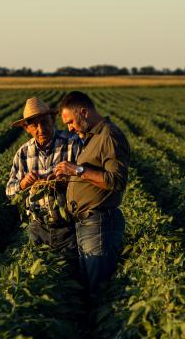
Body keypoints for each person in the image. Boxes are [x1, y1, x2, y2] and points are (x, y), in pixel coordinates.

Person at [54, 91, 130, 297]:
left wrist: (77, 170)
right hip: (87, 223)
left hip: (100, 223)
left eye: (70, 122)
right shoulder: (91, 137)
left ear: (84, 112)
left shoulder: (109, 137)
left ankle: (103, 326)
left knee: (98, 288)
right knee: (89, 284)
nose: (69, 128)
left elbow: (117, 181)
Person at [6, 97, 82, 252]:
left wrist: (68, 180)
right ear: (27, 128)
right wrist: (23, 184)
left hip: (70, 227)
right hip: (38, 228)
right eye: (34, 125)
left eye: (44, 122)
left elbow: (87, 176)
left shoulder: (72, 143)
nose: (41, 129)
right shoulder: (23, 153)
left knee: (70, 271)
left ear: (53, 119)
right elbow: (9, 191)